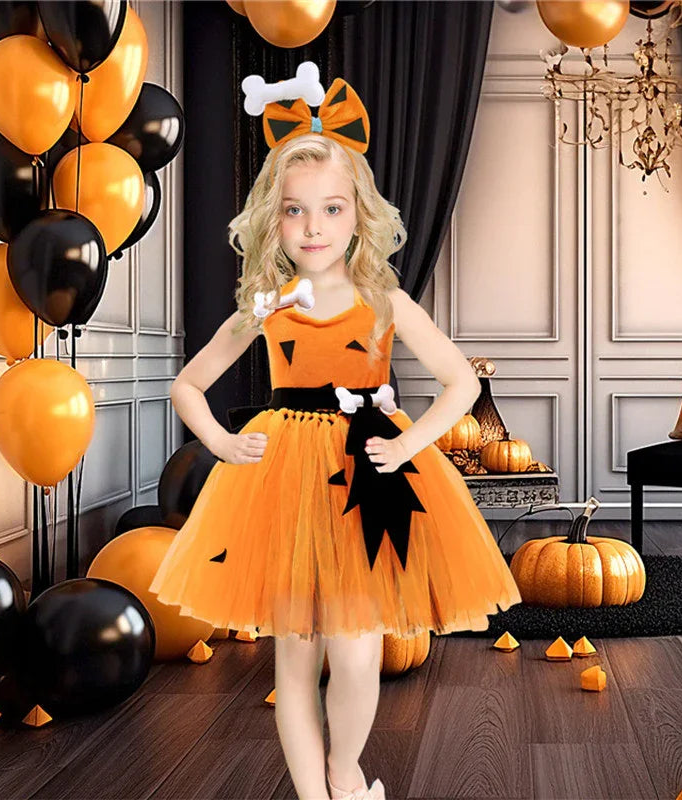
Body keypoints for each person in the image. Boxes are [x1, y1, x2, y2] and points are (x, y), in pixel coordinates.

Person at [148, 62, 522, 800]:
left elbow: (462, 383)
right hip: (282, 473)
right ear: (273, 218)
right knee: (295, 654)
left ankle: (345, 767)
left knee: (356, 654)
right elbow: (186, 385)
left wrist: (411, 444)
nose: (313, 228)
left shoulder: (384, 299)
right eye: (295, 211)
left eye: (331, 210)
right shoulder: (266, 303)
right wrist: (221, 443)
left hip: (366, 467)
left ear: (358, 215)